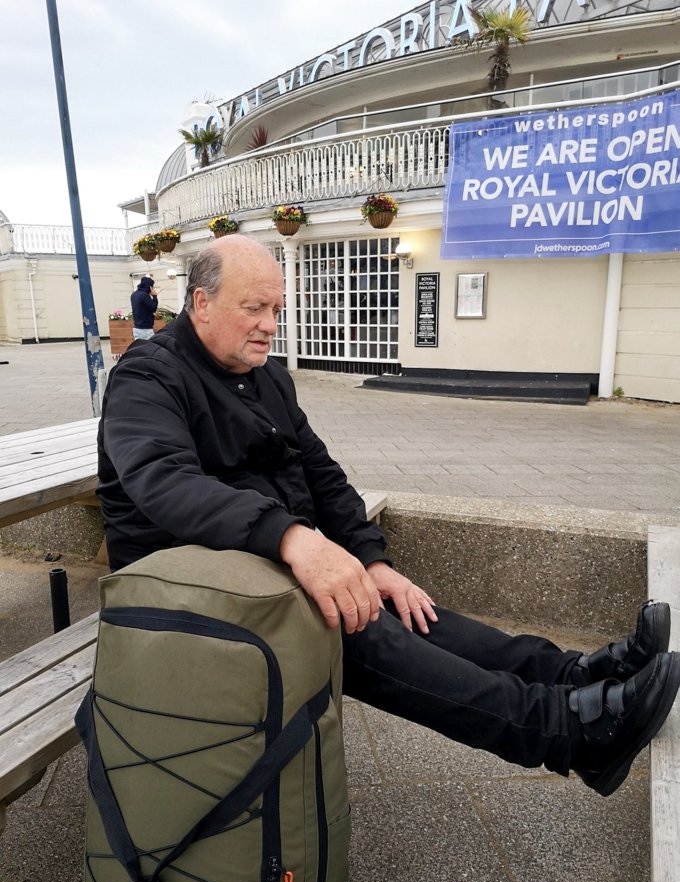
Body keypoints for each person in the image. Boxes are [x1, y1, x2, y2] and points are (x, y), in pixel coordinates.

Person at [98, 235, 680, 798]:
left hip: (258, 561)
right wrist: (294, 539)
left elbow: (322, 474)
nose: (271, 325)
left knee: (411, 610)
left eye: (277, 308)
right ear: (201, 303)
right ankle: (569, 735)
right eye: (254, 308)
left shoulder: (266, 376)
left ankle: (574, 675)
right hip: (182, 586)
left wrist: (370, 557)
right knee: (360, 625)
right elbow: (164, 482)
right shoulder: (148, 375)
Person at [129, 275, 158, 340]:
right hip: (146, 328)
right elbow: (153, 308)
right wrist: (155, 296)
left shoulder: (134, 294)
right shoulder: (144, 295)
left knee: (139, 347)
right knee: (149, 347)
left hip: (136, 327)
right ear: (150, 287)